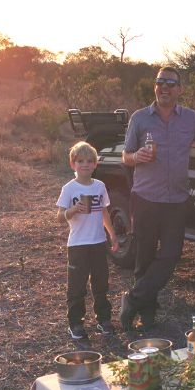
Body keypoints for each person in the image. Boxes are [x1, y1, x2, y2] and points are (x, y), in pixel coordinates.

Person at [120, 67, 195, 331]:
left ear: (180, 89)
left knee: (171, 255)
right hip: (145, 197)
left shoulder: (190, 119)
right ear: (155, 87)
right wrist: (136, 157)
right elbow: (126, 155)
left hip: (176, 200)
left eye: (170, 83)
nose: (164, 87)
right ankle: (147, 312)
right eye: (160, 82)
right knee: (144, 256)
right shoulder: (140, 118)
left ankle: (132, 300)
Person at [56, 141, 119, 340]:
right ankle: (75, 324)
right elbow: (59, 216)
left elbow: (104, 212)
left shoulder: (99, 186)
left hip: (98, 243)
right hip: (77, 245)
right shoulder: (69, 188)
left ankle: (104, 320)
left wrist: (112, 234)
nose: (85, 165)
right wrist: (72, 210)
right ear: (73, 164)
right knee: (77, 287)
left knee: (101, 284)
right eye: (80, 161)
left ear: (95, 165)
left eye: (90, 161)